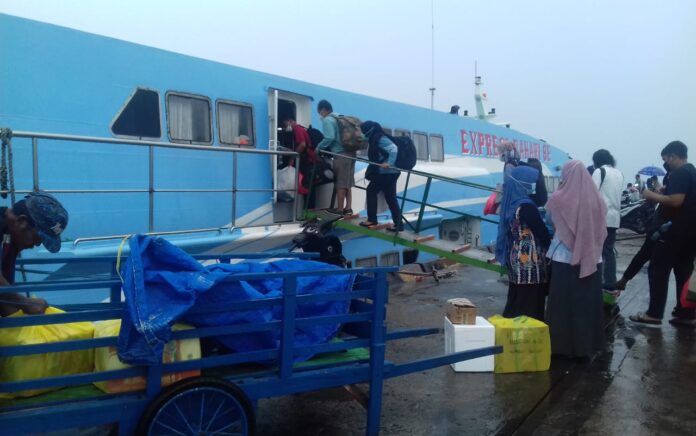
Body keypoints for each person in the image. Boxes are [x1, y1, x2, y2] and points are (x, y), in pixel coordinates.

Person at [545, 160, 607, 358]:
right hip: (592, 259)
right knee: (586, 305)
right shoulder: (598, 199)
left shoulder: (557, 198)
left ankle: (560, 348)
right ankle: (586, 347)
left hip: (564, 260)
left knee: (561, 305)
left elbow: (549, 221)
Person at [631, 141, 696, 327]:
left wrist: (649, 195)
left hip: (672, 232)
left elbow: (675, 201)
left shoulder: (680, 173)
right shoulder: (692, 172)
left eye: (666, 159)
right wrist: (664, 191)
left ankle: (654, 314)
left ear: (672, 156)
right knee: (684, 272)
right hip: (690, 233)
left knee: (658, 271)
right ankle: (686, 313)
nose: (666, 163)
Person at [0, 192, 69, 317]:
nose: (37, 244)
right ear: (21, 222)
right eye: (38, 238)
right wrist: (26, 303)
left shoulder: (11, 239)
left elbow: (5, 300)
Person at [495, 166, 550, 320]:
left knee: (517, 298)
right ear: (522, 183)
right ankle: (527, 335)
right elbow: (542, 231)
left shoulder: (512, 203)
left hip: (515, 255)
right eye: (531, 182)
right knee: (530, 302)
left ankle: (510, 331)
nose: (532, 186)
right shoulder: (526, 207)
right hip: (529, 259)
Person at [358, 121, 402, 231]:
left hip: (385, 172)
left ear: (369, 130)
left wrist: (389, 163)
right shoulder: (374, 137)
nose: (363, 133)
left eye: (363, 131)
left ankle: (372, 220)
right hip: (392, 173)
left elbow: (394, 149)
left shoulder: (379, 138)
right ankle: (399, 225)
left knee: (371, 191)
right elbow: (365, 140)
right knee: (391, 198)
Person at [591, 149, 624, 287]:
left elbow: (591, 193)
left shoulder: (599, 172)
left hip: (600, 217)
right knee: (608, 250)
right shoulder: (619, 173)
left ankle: (595, 280)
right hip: (614, 218)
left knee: (596, 250)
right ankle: (610, 281)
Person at [316, 100, 355, 215]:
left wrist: (318, 148)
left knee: (341, 183)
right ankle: (348, 208)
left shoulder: (328, 120)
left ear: (323, 109)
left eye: (319, 112)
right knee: (348, 182)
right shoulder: (340, 117)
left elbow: (329, 138)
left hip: (341, 154)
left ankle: (339, 209)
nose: (320, 115)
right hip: (352, 153)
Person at [283, 117, 318, 209]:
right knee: (306, 187)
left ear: (290, 121)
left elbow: (302, 144)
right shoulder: (300, 129)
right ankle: (307, 211)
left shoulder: (297, 129)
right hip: (307, 161)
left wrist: (293, 157)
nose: (286, 126)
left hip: (307, 162)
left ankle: (309, 211)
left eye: (285, 124)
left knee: (307, 188)